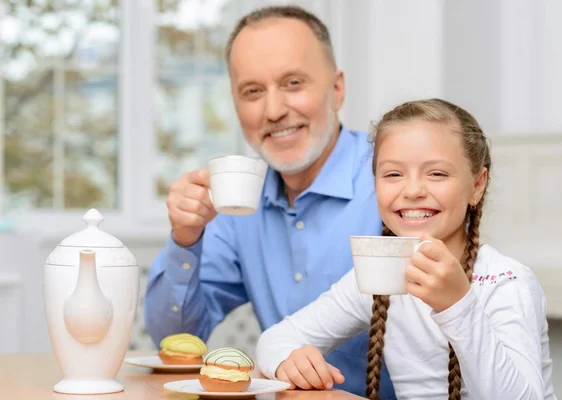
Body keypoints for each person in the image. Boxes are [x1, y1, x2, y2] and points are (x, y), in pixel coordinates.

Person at [143, 5, 396, 398]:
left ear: (337, 88)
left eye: (293, 82)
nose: (274, 110)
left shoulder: (394, 179)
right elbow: (176, 340)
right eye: (253, 91)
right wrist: (185, 238)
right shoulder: (236, 205)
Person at [256, 99, 557, 400]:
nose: (412, 191)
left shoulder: (506, 282)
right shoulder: (381, 276)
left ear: (477, 185)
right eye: (393, 175)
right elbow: (275, 339)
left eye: (437, 174)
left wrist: (457, 305)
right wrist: (288, 360)